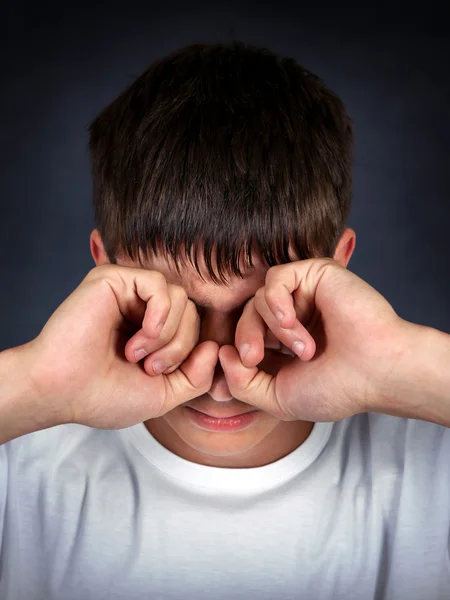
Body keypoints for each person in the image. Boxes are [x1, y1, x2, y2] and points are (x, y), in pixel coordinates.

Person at [0, 42, 449, 600]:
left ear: (339, 269)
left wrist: (406, 365)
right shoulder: (18, 453)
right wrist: (36, 386)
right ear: (103, 272)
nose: (218, 381)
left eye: (261, 313)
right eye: (173, 312)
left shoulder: (431, 459)